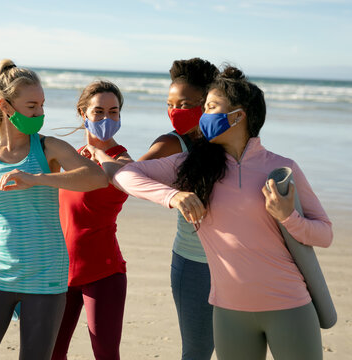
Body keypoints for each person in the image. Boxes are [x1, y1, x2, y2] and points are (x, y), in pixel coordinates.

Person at [113, 66, 333, 360]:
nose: (204, 116)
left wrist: (287, 216)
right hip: (229, 312)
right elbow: (126, 175)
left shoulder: (281, 167)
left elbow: (325, 234)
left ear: (238, 116)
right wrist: (173, 195)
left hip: (288, 304)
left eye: (211, 108)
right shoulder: (191, 167)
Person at [0, 59, 108, 360]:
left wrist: (37, 178)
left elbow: (96, 178)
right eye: (32, 106)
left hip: (46, 275)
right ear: (5, 105)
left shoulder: (49, 148)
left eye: (42, 105)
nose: (40, 113)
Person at [138, 57, 219, 359]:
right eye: (170, 105)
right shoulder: (172, 144)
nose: (175, 112)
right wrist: (172, 196)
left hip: (239, 261)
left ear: (207, 102)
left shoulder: (228, 142)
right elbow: (130, 175)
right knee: (198, 352)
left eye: (185, 105)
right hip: (195, 263)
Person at [51, 81, 132, 360]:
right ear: (82, 113)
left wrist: (98, 153)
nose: (107, 119)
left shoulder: (123, 159)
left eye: (114, 112)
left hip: (104, 273)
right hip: (62, 273)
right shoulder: (69, 157)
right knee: (52, 353)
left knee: (106, 355)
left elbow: (114, 176)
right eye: (98, 112)